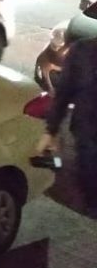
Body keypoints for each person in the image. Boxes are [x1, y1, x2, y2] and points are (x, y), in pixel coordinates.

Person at [37, 34, 97, 217]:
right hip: (88, 133)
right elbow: (64, 92)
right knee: (90, 177)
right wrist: (50, 130)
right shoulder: (82, 51)